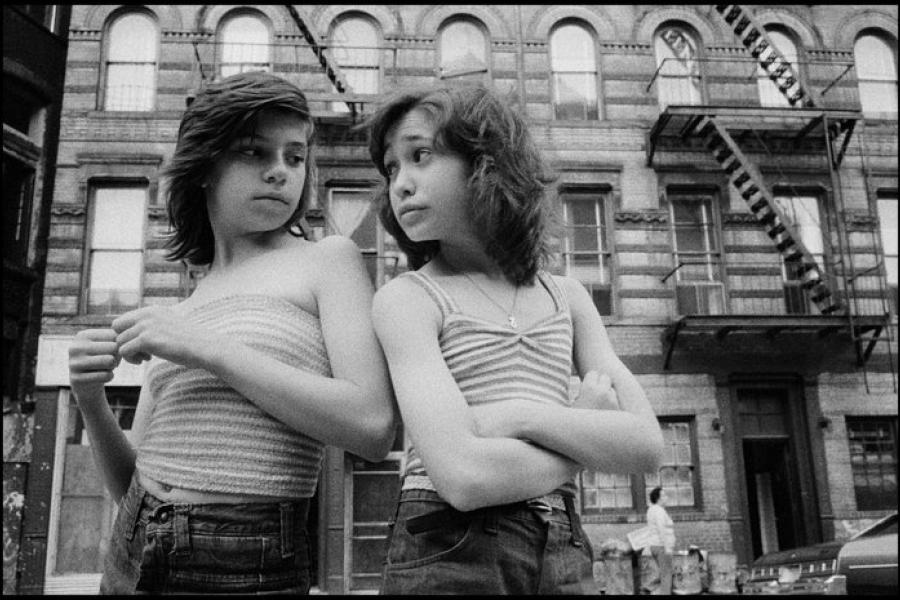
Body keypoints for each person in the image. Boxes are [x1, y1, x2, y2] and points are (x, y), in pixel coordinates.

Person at [67, 71, 396, 595]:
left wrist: (211, 350)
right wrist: (89, 399)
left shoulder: (327, 261)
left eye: (294, 156)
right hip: (130, 547)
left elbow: (374, 426)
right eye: (253, 152)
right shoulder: (189, 303)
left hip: (247, 558)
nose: (279, 172)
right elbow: (130, 483)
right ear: (204, 166)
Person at [362, 84, 665, 595]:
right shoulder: (409, 300)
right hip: (450, 542)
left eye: (420, 156)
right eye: (391, 168)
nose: (401, 183)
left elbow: (645, 445)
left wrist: (520, 417)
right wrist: (584, 427)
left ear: (487, 164)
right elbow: (463, 477)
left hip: (563, 540)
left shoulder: (566, 297)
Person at [645, 486, 676, 594]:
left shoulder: (651, 510)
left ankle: (653, 590)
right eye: (664, 495)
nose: (666, 498)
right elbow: (661, 529)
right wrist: (667, 547)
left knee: (663, 573)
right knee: (667, 574)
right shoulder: (659, 511)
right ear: (659, 498)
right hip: (662, 546)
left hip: (655, 545)